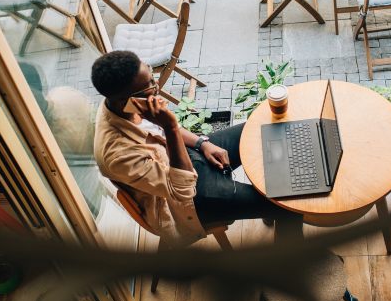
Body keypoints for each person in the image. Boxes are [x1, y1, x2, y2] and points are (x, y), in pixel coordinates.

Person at [91, 50, 302, 246]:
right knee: (287, 205)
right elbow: (182, 191)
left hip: (184, 159)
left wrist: (203, 143)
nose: (157, 89)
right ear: (123, 102)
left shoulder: (125, 104)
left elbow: (164, 133)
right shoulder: (116, 155)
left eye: (153, 79)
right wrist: (170, 126)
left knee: (258, 130)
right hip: (185, 202)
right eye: (150, 87)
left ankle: (264, 204)